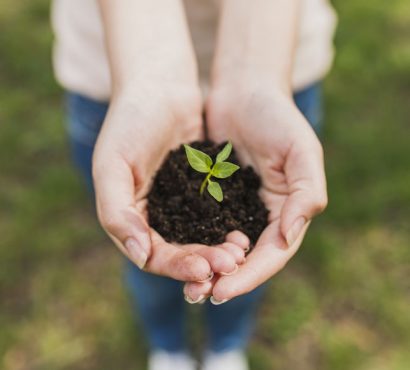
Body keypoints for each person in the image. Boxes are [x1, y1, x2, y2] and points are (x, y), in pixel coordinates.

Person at [52, 0, 336, 369]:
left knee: (246, 262)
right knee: (144, 251)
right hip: (112, 71)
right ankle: (168, 347)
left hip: (280, 57)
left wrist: (255, 75)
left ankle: (226, 346)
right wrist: (150, 76)